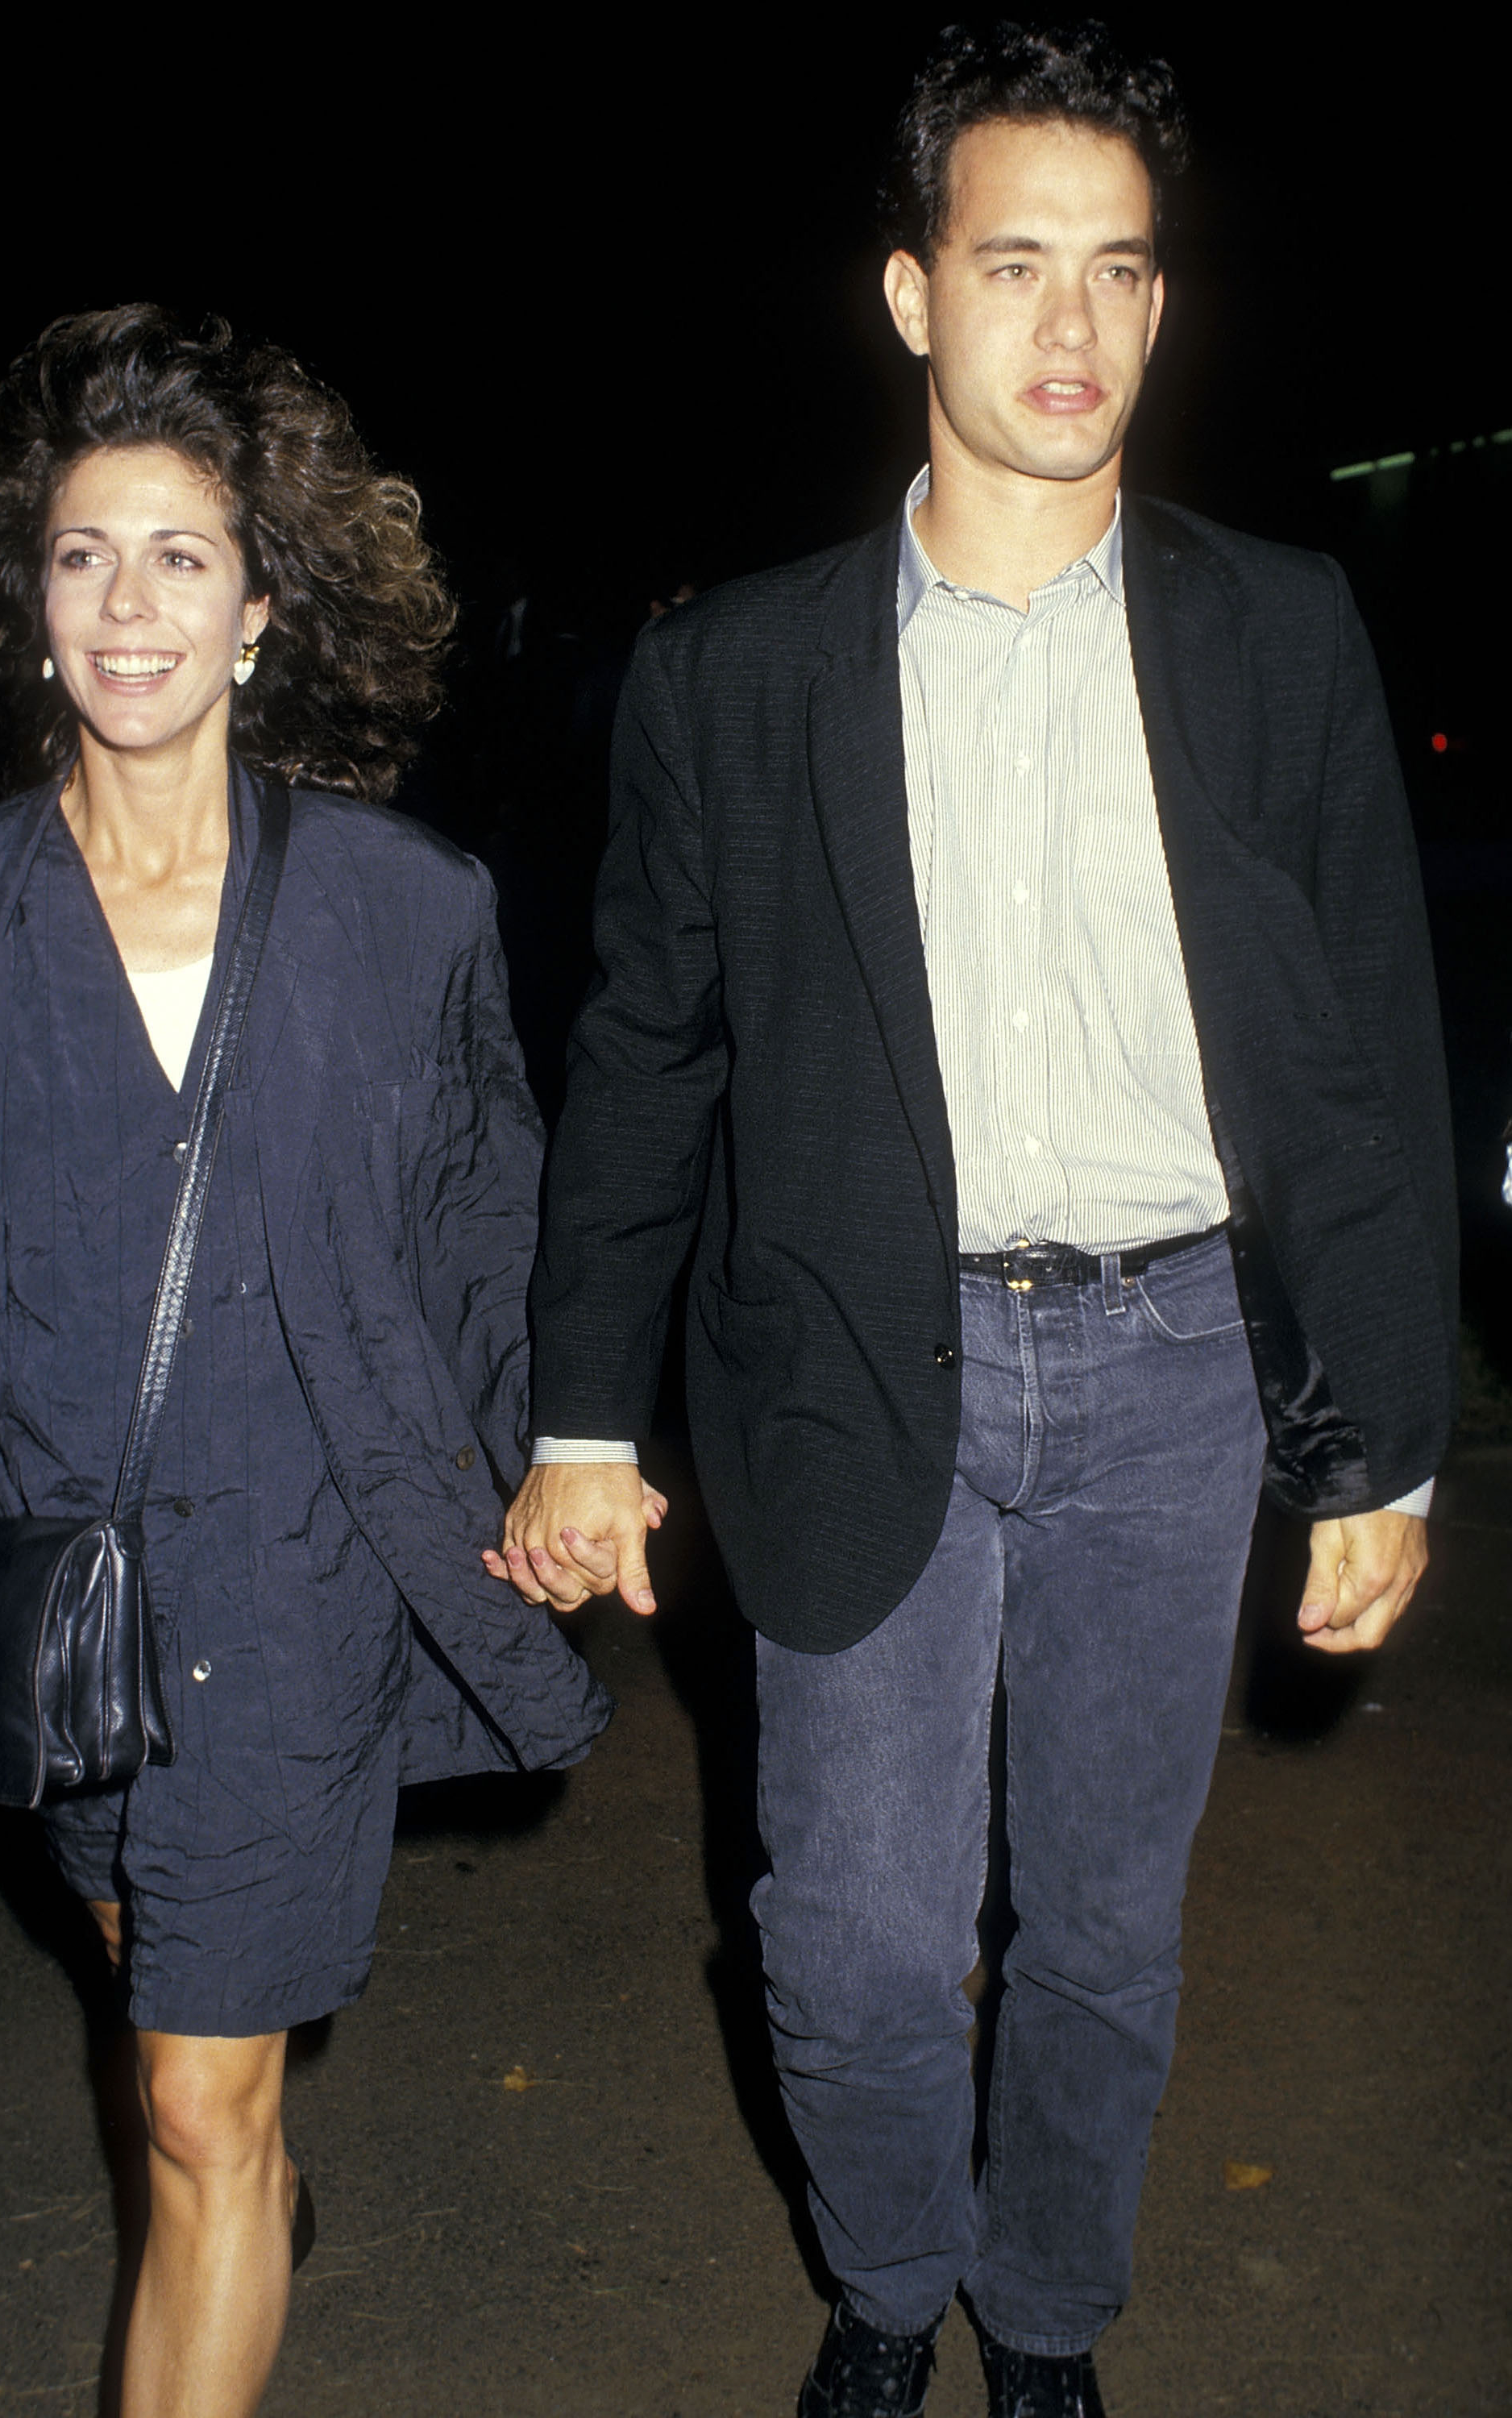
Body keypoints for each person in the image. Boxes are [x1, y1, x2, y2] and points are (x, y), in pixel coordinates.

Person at [486, 22, 1455, 2418]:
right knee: (848, 1943)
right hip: (851, 1353)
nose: (1071, 327)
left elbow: (1357, 1062)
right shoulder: (738, 676)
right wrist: (583, 1415)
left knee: (1109, 1933)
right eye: (1013, 264)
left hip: (1172, 1366)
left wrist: (1388, 1441)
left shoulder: (1277, 631)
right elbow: (645, 1058)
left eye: (1121, 272)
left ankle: (1038, 2329)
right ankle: (889, 2290)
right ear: (911, 295)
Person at [0, 304, 610, 2418]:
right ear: (30, 604)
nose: (130, 605)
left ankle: (238, 2172)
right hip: (57, 1604)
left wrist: (570, 1452)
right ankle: (255, 2180)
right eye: (86, 556)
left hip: (298, 1581)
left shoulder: (404, 907)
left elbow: (487, 1222)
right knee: (157, 2009)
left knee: (192, 2103)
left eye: (182, 557)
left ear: (261, 610)